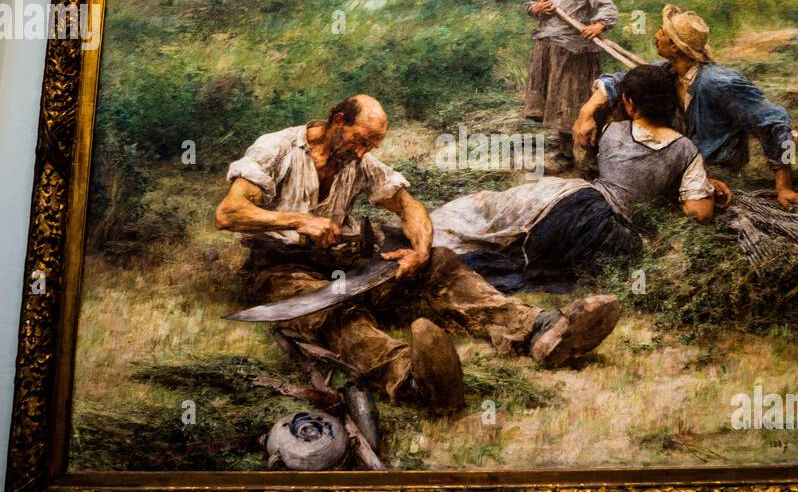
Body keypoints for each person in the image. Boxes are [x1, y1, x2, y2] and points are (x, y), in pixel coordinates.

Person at [214, 94, 621, 414]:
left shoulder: (362, 160)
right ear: (339, 121)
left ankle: (538, 330)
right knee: (335, 312)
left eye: (372, 144)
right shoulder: (278, 148)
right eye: (360, 140)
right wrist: (298, 222)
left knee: (441, 263)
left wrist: (420, 250)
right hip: (280, 268)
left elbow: (409, 207)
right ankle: (413, 380)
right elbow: (229, 213)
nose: (362, 152)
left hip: (341, 262)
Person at [430, 65, 730, 289]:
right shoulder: (685, 149)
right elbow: (699, 213)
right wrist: (699, 188)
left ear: (629, 104)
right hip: (611, 232)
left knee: (500, 229)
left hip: (574, 202)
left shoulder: (612, 131)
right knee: (533, 266)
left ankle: (443, 252)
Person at [573, 4, 798, 214]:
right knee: (613, 102)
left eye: (662, 32)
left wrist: (784, 185)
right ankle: (599, 178)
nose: (656, 35)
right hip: (682, 162)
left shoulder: (720, 83)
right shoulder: (669, 71)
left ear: (676, 48)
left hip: (715, 167)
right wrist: (586, 113)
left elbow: (776, 122)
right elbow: (619, 81)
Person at [523, 0, 619, 170]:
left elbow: (608, 9)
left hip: (576, 53)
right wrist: (537, 8)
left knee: (577, 101)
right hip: (551, 50)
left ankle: (592, 156)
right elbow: (531, 7)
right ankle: (565, 152)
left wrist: (599, 25)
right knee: (558, 103)